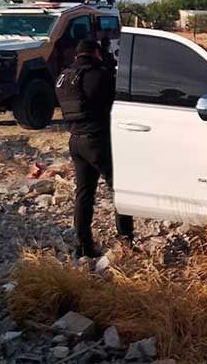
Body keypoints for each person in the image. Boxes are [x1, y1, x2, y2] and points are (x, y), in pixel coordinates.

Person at [56, 39, 133, 258]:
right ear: (96, 52)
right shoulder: (98, 75)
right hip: (97, 140)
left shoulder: (65, 77)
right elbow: (113, 99)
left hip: (75, 140)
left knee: (84, 193)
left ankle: (84, 245)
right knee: (120, 189)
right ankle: (126, 240)